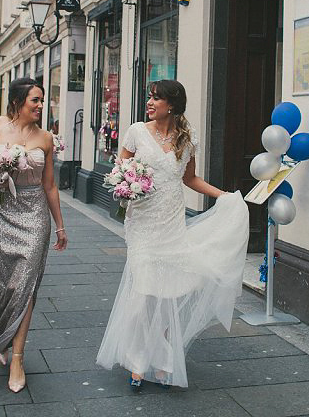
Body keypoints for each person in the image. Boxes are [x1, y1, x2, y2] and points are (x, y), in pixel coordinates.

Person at [96, 79, 249, 389]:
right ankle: (138, 361)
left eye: (157, 98)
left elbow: (190, 179)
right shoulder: (137, 131)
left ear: (173, 105)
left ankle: (163, 358)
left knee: (167, 291)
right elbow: (119, 169)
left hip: (171, 221)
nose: (150, 102)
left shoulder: (186, 139)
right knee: (143, 292)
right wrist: (125, 185)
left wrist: (224, 196)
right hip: (142, 222)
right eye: (150, 97)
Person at [0, 78, 67, 393]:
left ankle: (18, 357)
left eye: (41, 101)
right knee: (3, 287)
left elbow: (50, 185)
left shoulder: (46, 138)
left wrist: (60, 225)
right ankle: (1, 330)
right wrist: (2, 180)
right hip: (0, 213)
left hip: (35, 215)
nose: (41, 106)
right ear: (17, 102)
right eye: (35, 101)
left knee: (26, 286)